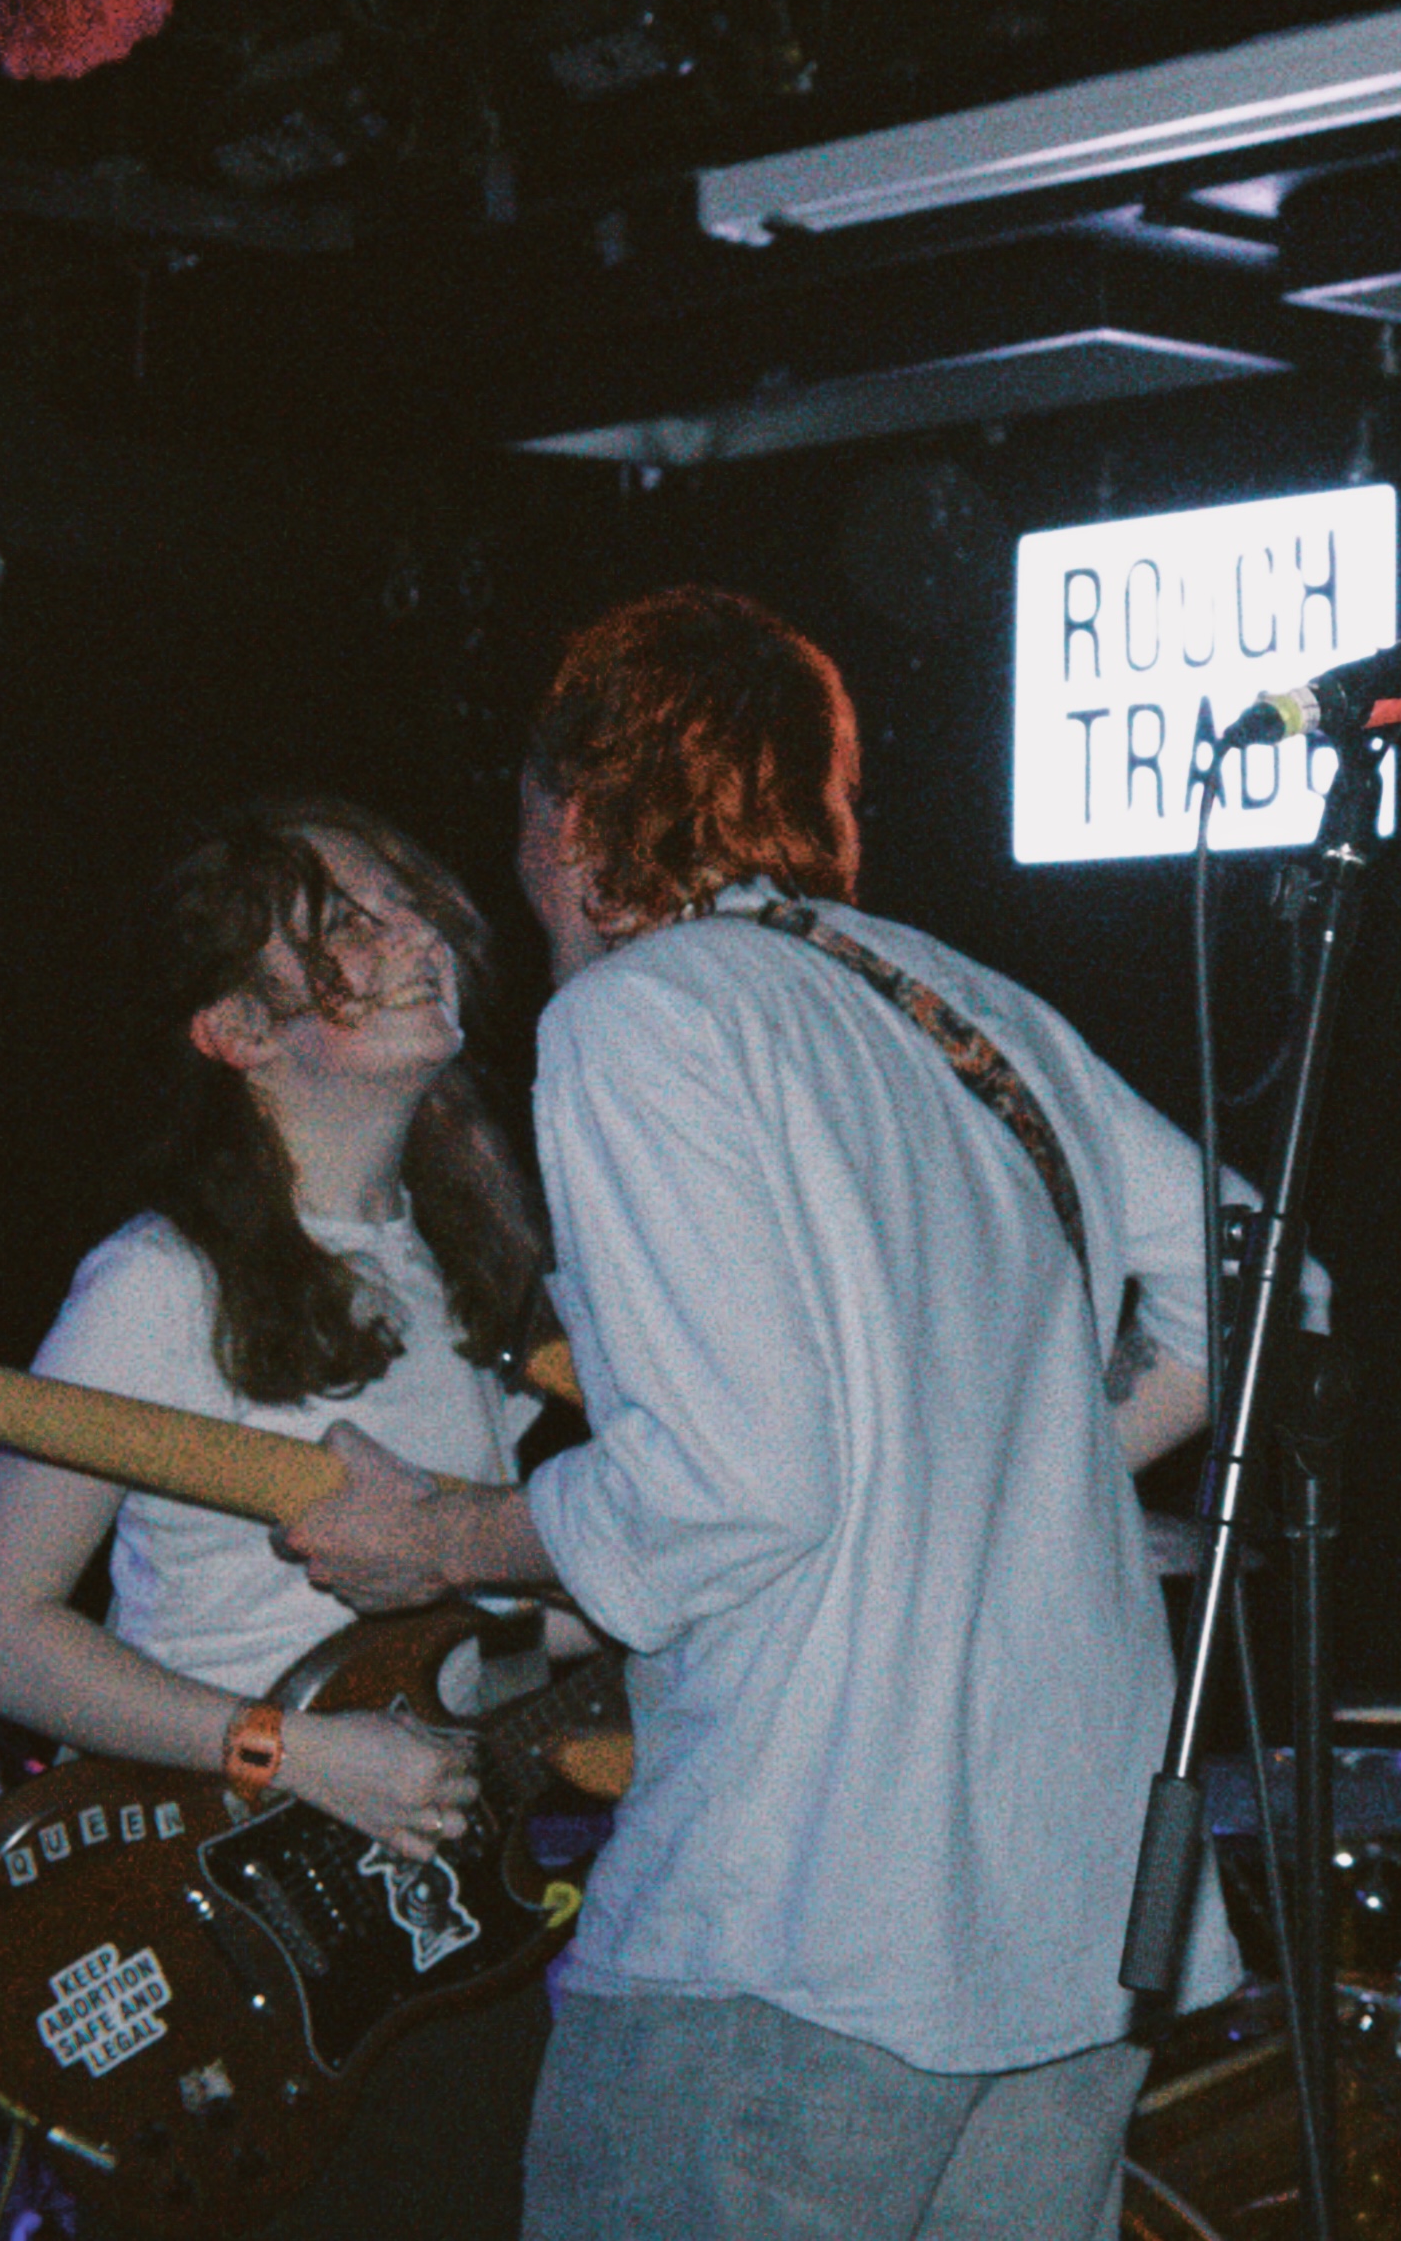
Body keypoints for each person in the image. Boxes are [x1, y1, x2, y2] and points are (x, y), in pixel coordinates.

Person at [279, 585, 1238, 2241]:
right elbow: (1261, 1286)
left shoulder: (641, 1017)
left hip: (801, 1930)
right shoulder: (962, 1002)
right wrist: (1007, 1472)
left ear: (572, 815)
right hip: (1082, 1929)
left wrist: (436, 1534)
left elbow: (727, 1487)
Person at [0, 796, 559, 2241]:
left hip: (444, 1952)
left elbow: (493, 1628)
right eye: (344, 924)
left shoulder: (467, 1262)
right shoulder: (162, 1285)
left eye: (405, 899)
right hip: (230, 1952)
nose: (413, 933)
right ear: (238, 1030)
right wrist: (297, 1754)